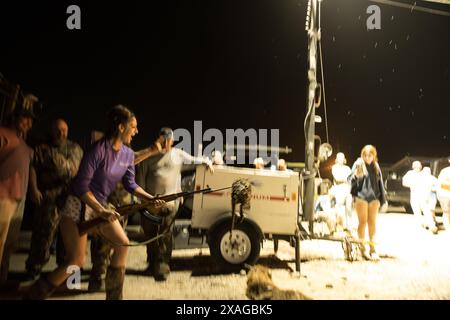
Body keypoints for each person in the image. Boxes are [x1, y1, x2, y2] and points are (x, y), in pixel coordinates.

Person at [26, 105, 165, 299]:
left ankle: (114, 297)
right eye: (133, 127)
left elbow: (131, 184)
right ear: (121, 127)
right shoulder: (97, 150)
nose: (137, 131)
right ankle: (34, 295)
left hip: (100, 206)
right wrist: (101, 210)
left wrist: (152, 198)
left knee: (123, 244)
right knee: (75, 261)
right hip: (78, 206)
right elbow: (82, 187)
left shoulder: (126, 153)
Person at [136, 127, 213, 281]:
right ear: (158, 139)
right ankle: (152, 264)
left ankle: (163, 265)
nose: (166, 143)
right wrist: (144, 202)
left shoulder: (177, 154)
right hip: (150, 204)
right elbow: (140, 182)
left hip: (170, 203)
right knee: (150, 234)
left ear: (172, 141)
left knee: (166, 233)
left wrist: (207, 161)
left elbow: (192, 161)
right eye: (163, 140)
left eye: (169, 140)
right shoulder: (148, 156)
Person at [25, 119, 83, 279]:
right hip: (48, 199)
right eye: (58, 130)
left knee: (69, 242)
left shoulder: (75, 148)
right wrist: (34, 188)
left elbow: (77, 171)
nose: (61, 133)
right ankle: (33, 270)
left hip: (71, 200)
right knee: (42, 236)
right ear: (52, 131)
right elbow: (32, 167)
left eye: (64, 130)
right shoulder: (42, 149)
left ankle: (70, 278)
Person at [0, 100, 36, 285]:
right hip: (3, 197)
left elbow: (29, 168)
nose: (28, 124)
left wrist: (33, 190)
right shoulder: (3, 135)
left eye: (30, 121)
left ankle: (3, 279)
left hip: (18, 199)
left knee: (9, 243)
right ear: (14, 118)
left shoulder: (23, 142)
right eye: (25, 119)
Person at [349, 145, 387, 261]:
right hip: (361, 197)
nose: (367, 157)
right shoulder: (358, 164)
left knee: (372, 223)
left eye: (369, 155)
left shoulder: (376, 166)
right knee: (363, 222)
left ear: (374, 155)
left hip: (374, 198)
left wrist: (383, 200)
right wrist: (356, 176)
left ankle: (372, 249)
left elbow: (380, 183)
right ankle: (362, 248)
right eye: (365, 155)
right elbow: (349, 179)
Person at [329, 152, 353, 231]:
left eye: (342, 157)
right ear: (336, 159)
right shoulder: (334, 167)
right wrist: (345, 179)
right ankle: (338, 225)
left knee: (349, 208)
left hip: (348, 190)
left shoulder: (347, 168)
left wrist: (346, 180)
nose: (340, 159)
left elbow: (351, 178)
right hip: (339, 190)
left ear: (344, 159)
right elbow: (337, 178)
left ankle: (349, 226)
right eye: (339, 157)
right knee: (339, 209)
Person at [402, 160, 424, 226]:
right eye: (416, 167)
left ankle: (430, 223)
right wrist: (411, 185)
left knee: (425, 209)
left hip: (424, 194)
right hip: (414, 194)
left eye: (418, 167)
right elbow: (404, 182)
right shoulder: (410, 173)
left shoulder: (423, 173)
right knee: (416, 209)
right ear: (413, 167)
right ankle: (420, 223)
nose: (417, 168)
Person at [418, 167, 438, 234]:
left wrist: (433, 188)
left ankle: (429, 224)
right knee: (428, 211)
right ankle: (432, 225)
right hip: (426, 197)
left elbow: (438, 186)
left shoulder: (431, 178)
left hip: (430, 197)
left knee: (428, 211)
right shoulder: (430, 178)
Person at [437, 159, 450, 231]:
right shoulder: (445, 171)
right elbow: (441, 184)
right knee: (446, 212)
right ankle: (448, 228)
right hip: (445, 195)